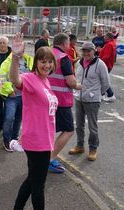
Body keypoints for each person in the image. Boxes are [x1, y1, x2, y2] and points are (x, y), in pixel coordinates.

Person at [9, 33, 58, 210]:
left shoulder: (46, 81)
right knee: (38, 186)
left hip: (45, 140)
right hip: (36, 141)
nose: (47, 65)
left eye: (49, 61)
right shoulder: (31, 79)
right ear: (36, 63)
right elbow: (15, 79)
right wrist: (15, 56)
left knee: (32, 180)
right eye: (43, 61)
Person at [68, 42, 110, 161]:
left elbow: (106, 83)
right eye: (84, 51)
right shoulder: (79, 63)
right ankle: (80, 145)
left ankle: (93, 149)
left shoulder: (100, 64)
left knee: (92, 126)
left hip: (92, 101)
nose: (86, 53)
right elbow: (76, 78)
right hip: (79, 98)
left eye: (89, 51)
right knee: (79, 125)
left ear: (94, 51)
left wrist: (96, 94)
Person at [48, 33, 82, 173]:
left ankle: (43, 157)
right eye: (68, 43)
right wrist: (79, 85)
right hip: (61, 101)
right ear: (64, 44)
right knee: (68, 130)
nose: (69, 45)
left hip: (46, 99)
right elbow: (71, 82)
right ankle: (49, 159)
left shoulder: (46, 54)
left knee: (50, 131)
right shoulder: (64, 58)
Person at [0, 46, 33, 151]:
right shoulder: (7, 62)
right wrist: (10, 91)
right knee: (9, 118)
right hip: (12, 97)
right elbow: (2, 78)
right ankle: (6, 139)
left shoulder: (29, 60)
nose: (21, 52)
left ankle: (14, 139)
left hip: (25, 96)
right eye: (19, 50)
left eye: (23, 50)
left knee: (19, 119)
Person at [0, 36, 12, 131]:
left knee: (9, 105)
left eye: (4, 43)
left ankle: (8, 125)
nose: (2, 44)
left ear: (7, 44)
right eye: (0, 43)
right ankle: (0, 123)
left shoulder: (12, 54)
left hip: (9, 84)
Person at [99, 32, 117, 102]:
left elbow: (106, 56)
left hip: (106, 65)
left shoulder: (109, 44)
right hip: (108, 64)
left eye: (105, 36)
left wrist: (99, 62)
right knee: (102, 79)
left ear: (108, 37)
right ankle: (102, 94)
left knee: (103, 80)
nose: (104, 37)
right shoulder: (112, 43)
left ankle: (111, 94)